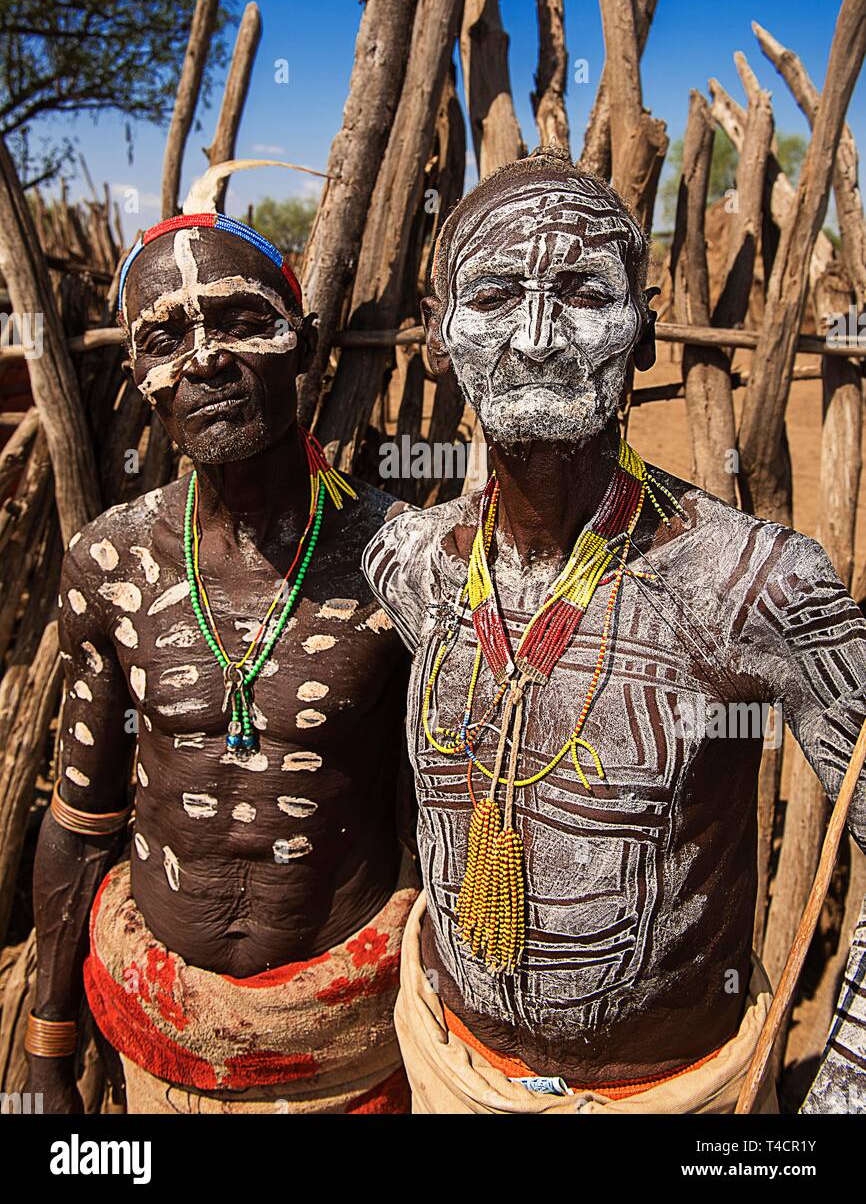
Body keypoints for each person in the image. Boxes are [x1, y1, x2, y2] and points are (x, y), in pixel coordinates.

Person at [362, 145, 866, 1114]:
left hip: (680, 1094)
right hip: (448, 1065)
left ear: (641, 329)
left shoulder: (749, 583)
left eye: (585, 293)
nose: (539, 334)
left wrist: (842, 1085)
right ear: (436, 336)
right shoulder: (409, 562)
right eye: (496, 293)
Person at [27, 207, 416, 1114]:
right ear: (139, 380)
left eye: (243, 322)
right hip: (163, 1041)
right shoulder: (112, 563)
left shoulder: (400, 561)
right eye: (167, 337)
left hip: (348, 1048)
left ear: (304, 345)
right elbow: (81, 821)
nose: (205, 360)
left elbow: (449, 817)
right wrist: (49, 1048)